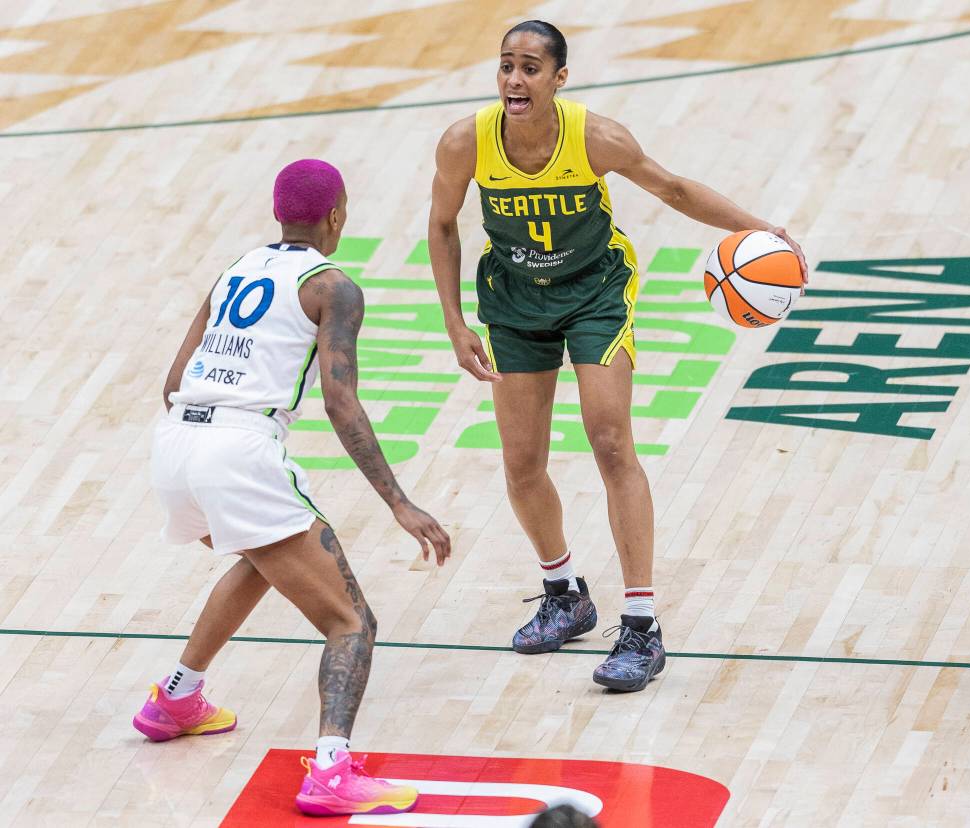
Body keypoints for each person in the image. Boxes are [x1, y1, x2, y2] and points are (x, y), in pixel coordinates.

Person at [428, 21, 807, 692]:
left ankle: (641, 625)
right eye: (507, 66)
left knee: (608, 439)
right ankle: (564, 593)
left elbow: (674, 189)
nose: (515, 79)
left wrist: (758, 229)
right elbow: (441, 223)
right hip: (514, 300)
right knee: (521, 462)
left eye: (531, 68)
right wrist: (455, 320)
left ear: (559, 78)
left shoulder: (596, 136)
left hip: (594, 291)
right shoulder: (467, 141)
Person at [134, 159, 451, 817]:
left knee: (261, 557)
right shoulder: (333, 287)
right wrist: (399, 501)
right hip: (237, 453)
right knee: (352, 621)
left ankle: (175, 699)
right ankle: (331, 772)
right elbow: (341, 402)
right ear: (337, 215)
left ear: (279, 212)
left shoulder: (236, 269)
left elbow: (173, 380)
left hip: (176, 445)